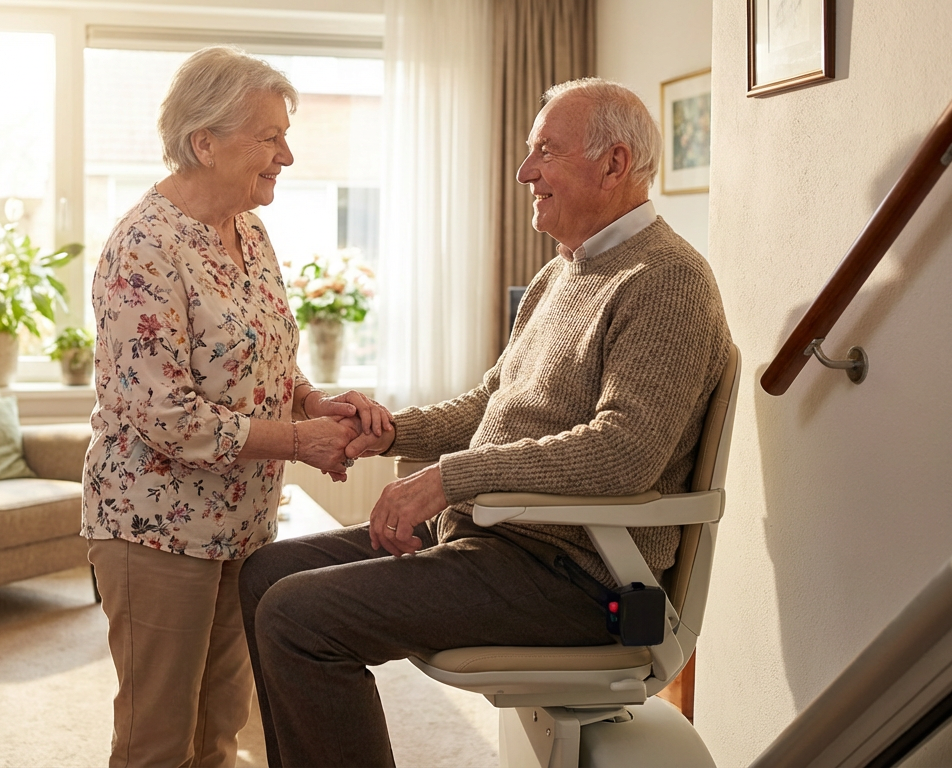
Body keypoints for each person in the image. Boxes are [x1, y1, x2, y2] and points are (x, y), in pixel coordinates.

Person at [239, 77, 733, 767]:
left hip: (578, 577)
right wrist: (391, 432)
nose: (526, 171)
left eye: (546, 153)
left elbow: (625, 453)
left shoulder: (665, 280)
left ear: (615, 164)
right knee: (266, 573)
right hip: (494, 544)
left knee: (300, 617)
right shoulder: (560, 275)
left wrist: (450, 480)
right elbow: (490, 405)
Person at [82, 46, 391, 768]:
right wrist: (300, 440)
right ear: (204, 142)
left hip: (243, 525)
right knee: (157, 742)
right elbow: (167, 417)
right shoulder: (143, 247)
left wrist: (317, 399)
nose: (287, 153)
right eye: (271, 136)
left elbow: (266, 357)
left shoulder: (250, 231)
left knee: (220, 731)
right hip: (155, 531)